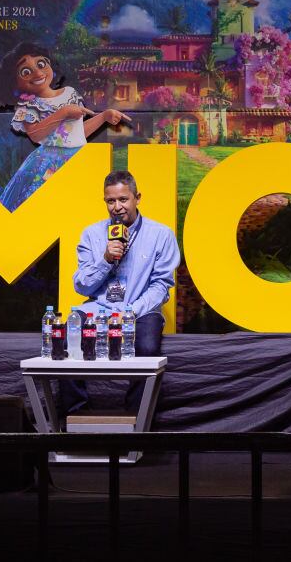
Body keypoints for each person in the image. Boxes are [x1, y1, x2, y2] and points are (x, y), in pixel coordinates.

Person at [59, 170, 181, 415]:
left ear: (137, 198)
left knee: (147, 349)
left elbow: (161, 286)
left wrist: (130, 312)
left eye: (123, 199)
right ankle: (75, 417)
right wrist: (105, 259)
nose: (117, 207)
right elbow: (81, 286)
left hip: (141, 308)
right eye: (110, 201)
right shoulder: (91, 235)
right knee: (65, 340)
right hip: (99, 307)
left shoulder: (161, 235)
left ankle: (136, 419)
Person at [0, 42, 131, 212]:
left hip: (77, 158)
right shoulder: (28, 107)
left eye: (41, 64)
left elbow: (77, 133)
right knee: (42, 205)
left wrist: (103, 117)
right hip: (48, 162)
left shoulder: (69, 93)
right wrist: (64, 112)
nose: (37, 73)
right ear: (14, 82)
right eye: (25, 72)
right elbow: (35, 135)